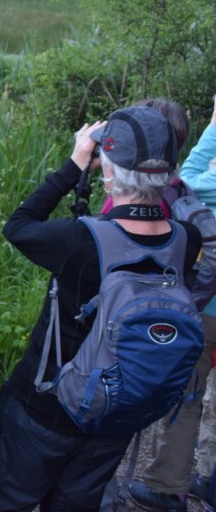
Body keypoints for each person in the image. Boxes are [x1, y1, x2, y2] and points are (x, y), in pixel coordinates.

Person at [0, 106, 203, 511]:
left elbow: (18, 225)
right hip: (116, 410)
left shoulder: (79, 239)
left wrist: (74, 165)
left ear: (109, 170)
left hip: (45, 408)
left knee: (7, 498)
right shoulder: (186, 239)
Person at [127, 95, 216, 511]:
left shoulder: (194, 186)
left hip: (203, 309)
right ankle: (207, 481)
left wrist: (214, 124)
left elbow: (191, 173)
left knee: (186, 394)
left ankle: (166, 488)